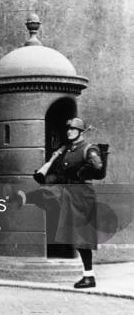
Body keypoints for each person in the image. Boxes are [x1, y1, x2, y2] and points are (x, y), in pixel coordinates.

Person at [13, 117, 103, 289]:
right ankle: (24, 198)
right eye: (68, 129)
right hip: (68, 192)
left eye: (73, 129)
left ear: (80, 132)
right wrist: (44, 175)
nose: (69, 131)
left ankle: (89, 277)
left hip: (82, 195)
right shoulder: (68, 150)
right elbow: (61, 172)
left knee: (81, 237)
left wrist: (80, 173)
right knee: (47, 194)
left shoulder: (88, 148)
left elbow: (98, 167)